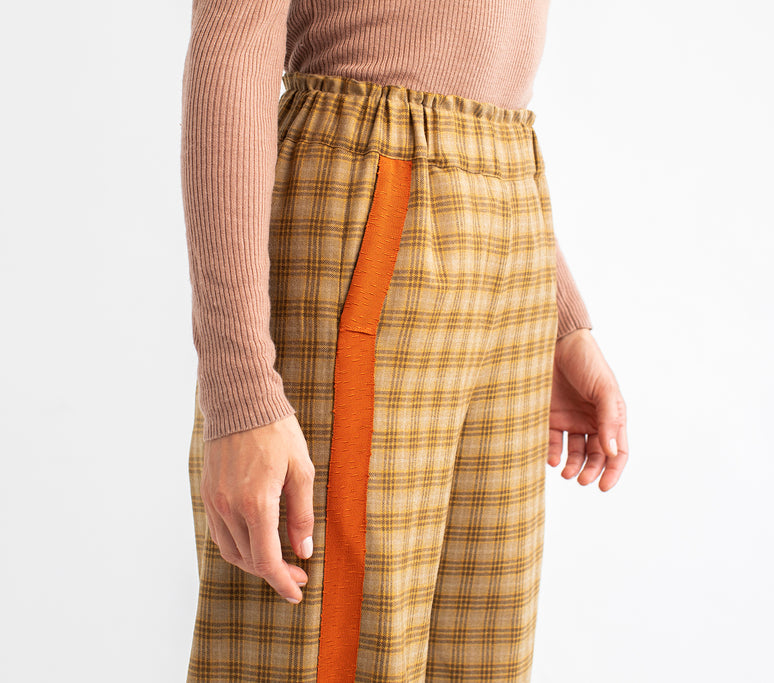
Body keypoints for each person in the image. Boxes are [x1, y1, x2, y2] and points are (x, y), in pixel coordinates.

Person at [180, 0, 629, 680]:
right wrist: (240, 389)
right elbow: (234, 45)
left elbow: (476, 77)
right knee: (329, 655)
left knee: (480, 653)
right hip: (371, 203)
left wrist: (560, 318)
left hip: (510, 216)